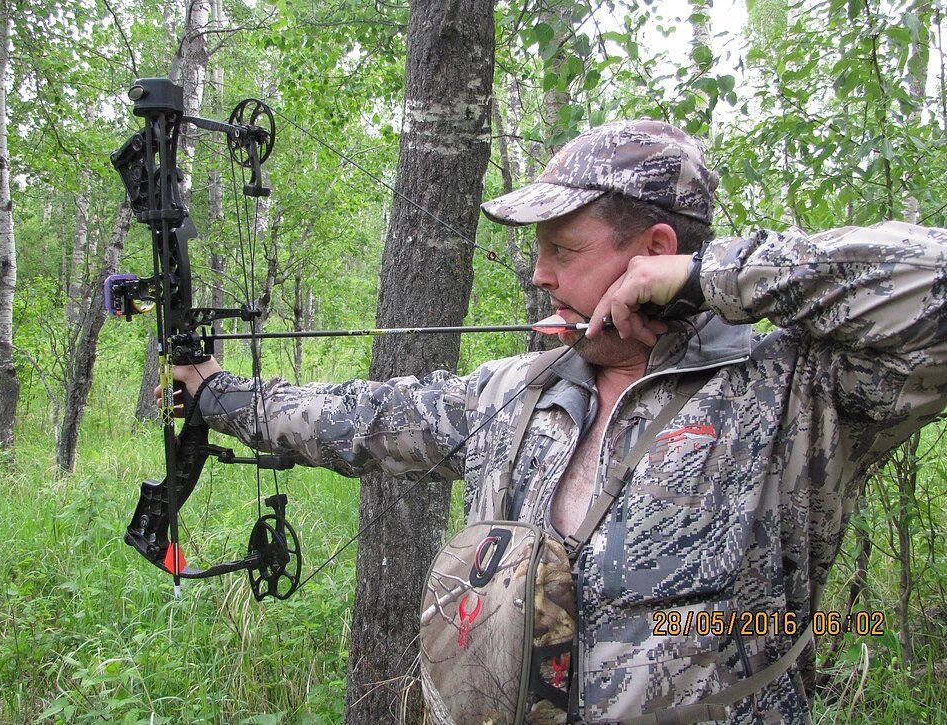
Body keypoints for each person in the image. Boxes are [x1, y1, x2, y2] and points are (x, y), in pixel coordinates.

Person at [161, 120, 947, 722]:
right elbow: (366, 417)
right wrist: (215, 395)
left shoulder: (796, 392)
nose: (539, 275)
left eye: (563, 250)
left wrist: (712, 278)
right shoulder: (518, 389)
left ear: (655, 250)